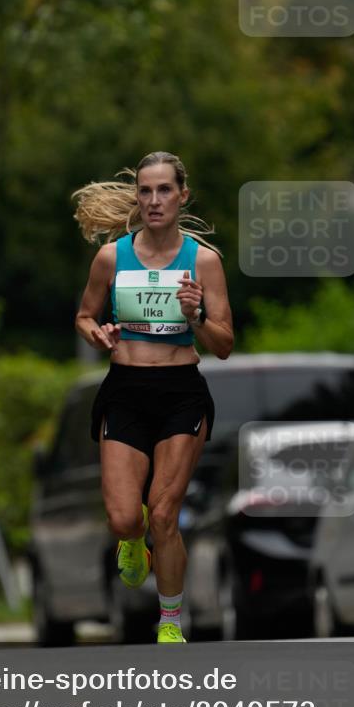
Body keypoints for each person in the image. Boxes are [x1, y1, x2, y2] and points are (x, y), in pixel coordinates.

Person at [72, 151, 233, 643]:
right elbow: (83, 316)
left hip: (181, 393)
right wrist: (96, 336)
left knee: (165, 514)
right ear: (137, 197)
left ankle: (170, 622)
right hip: (125, 390)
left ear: (183, 196)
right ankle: (131, 539)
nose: (154, 200)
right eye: (146, 191)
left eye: (165, 190)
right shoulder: (111, 257)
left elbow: (224, 344)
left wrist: (196, 317)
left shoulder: (203, 260)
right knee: (126, 518)